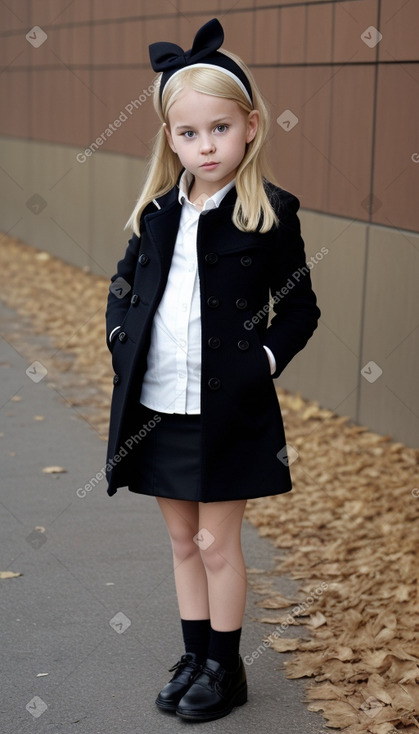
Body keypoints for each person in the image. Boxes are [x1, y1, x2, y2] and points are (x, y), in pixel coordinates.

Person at [105, 17, 321, 722]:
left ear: (250, 126)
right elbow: (123, 288)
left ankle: (226, 670)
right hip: (158, 407)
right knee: (178, 540)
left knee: (213, 542)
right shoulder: (155, 214)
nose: (205, 146)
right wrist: (118, 335)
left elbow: (298, 309)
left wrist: (262, 360)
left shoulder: (268, 214)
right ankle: (194, 653)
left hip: (227, 409)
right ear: (170, 137)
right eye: (189, 132)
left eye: (218, 129)